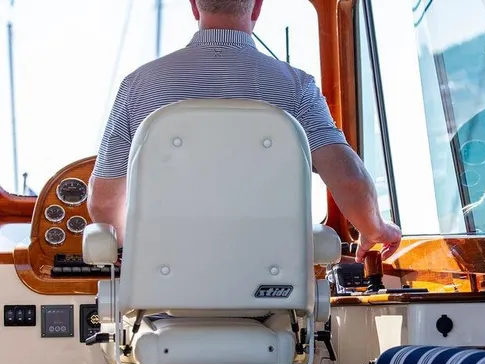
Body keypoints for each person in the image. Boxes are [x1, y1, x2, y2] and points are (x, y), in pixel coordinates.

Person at [87, 0, 401, 262]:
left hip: (160, 296)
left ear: (195, 7)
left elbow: (104, 203)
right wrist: (374, 229)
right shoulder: (296, 87)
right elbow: (348, 179)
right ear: (257, 7)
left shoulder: (138, 86)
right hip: (273, 296)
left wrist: (129, 250)